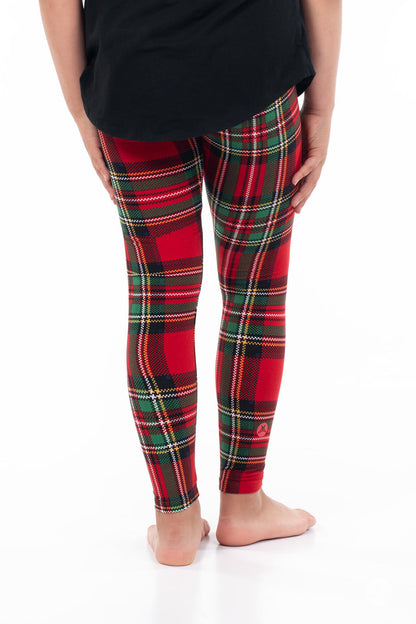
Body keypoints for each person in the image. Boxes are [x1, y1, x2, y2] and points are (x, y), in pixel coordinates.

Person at [39, 0, 341, 566]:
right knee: (254, 298)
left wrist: (82, 113)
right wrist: (321, 105)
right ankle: (243, 506)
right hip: (256, 69)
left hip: (132, 80)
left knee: (159, 301)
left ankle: (175, 522)